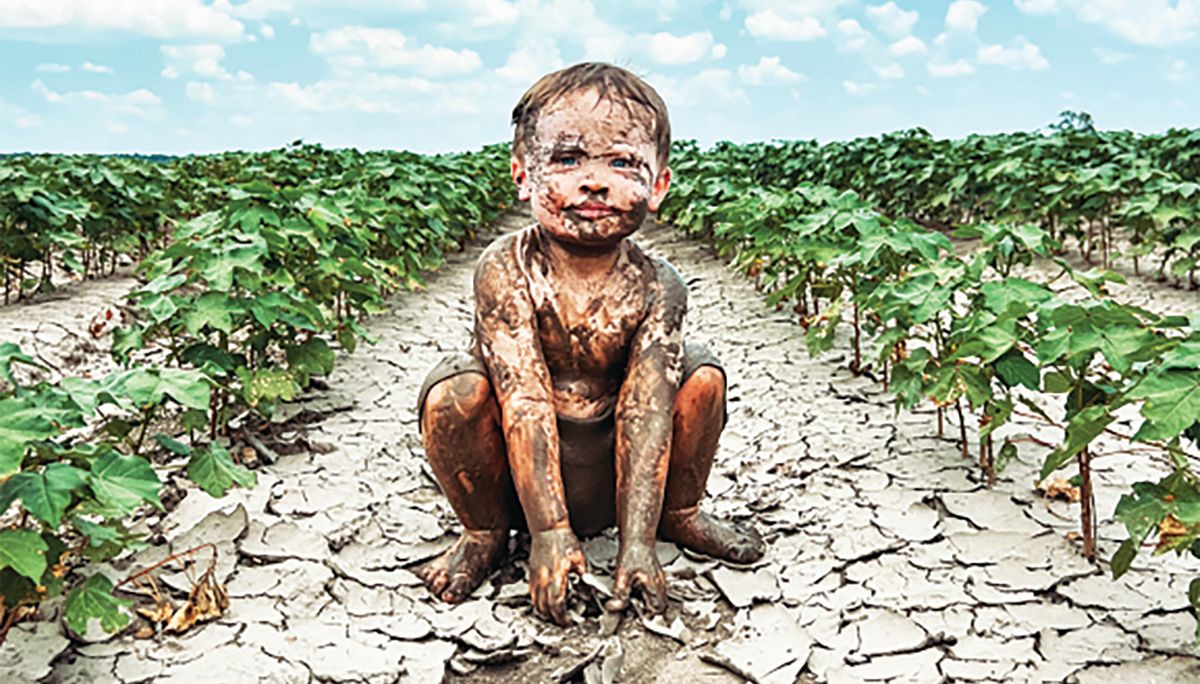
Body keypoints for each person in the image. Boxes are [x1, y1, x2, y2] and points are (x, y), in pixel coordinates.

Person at [415, 62, 764, 625]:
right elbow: (523, 399)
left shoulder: (659, 285)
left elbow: (648, 410)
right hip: (519, 478)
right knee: (454, 390)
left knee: (701, 376)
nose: (594, 181)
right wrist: (550, 532)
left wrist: (637, 543)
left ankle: (679, 512)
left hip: (615, 472)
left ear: (658, 186)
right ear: (523, 175)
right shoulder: (506, 268)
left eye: (622, 163)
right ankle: (484, 531)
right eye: (567, 159)